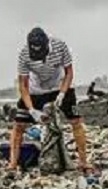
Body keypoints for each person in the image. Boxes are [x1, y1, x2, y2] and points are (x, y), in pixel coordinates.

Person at [8, 27, 90, 171]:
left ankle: (84, 162)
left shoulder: (60, 46)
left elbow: (69, 73)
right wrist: (32, 110)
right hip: (35, 90)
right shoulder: (24, 54)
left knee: (76, 121)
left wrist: (62, 94)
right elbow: (23, 85)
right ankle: (13, 163)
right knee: (18, 125)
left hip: (60, 85)